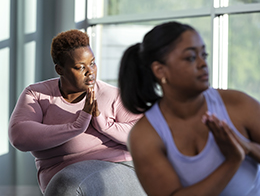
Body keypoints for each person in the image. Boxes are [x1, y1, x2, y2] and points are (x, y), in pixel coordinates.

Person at [118, 21, 260, 196]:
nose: (203, 64)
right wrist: (232, 161)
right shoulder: (144, 135)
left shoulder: (238, 103)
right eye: (191, 57)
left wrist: (248, 147)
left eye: (204, 54)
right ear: (160, 70)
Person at [8, 29, 146, 196]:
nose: (90, 72)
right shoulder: (37, 95)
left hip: (119, 167)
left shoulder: (112, 94)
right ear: (60, 69)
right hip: (60, 181)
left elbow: (144, 136)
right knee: (66, 183)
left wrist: (104, 125)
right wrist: (77, 126)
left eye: (92, 63)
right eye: (80, 67)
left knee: (68, 183)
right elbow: (20, 136)